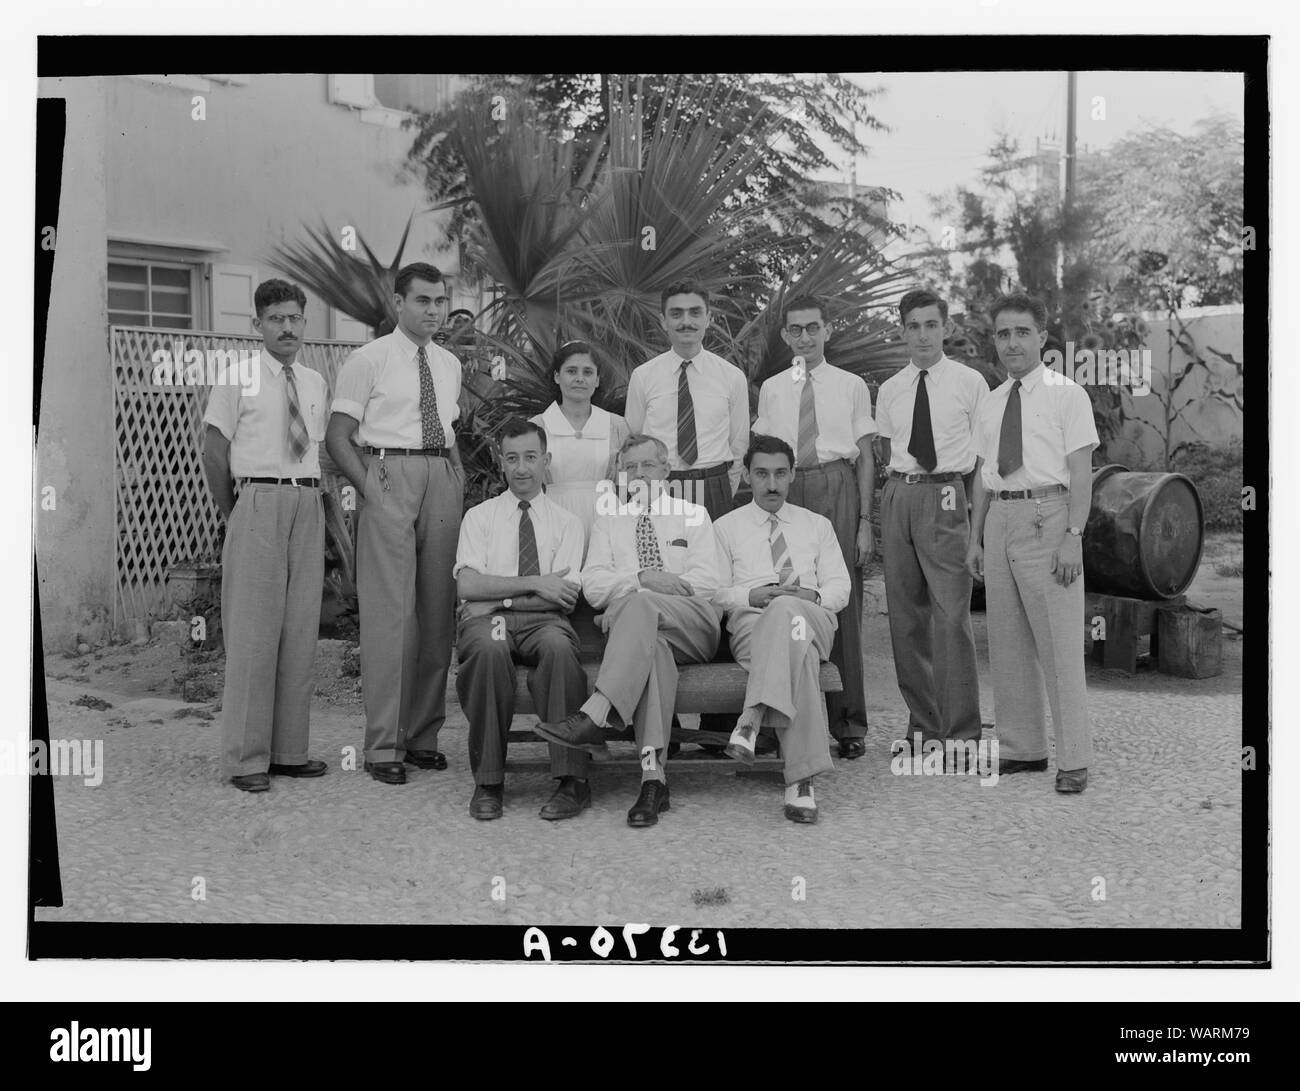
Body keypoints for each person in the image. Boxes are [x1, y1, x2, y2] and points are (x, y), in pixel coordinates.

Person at [533, 434, 722, 828]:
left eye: (647, 465)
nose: (639, 474)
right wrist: (644, 578)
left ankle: (597, 711)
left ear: (666, 469)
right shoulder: (609, 522)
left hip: (695, 628)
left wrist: (633, 596)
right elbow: (595, 586)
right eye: (630, 467)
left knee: (637, 605)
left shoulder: (694, 515)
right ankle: (654, 782)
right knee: (652, 651)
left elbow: (707, 583)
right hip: (645, 641)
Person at [325, 262, 465, 785]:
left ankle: (423, 736)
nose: (434, 311)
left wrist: (457, 475)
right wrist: (370, 489)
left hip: (439, 476)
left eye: (440, 301)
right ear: (399, 302)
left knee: (437, 612)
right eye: (423, 301)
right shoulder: (369, 359)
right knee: (391, 615)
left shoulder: (449, 363)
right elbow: (338, 435)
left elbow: (448, 428)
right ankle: (384, 745)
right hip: (388, 472)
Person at [965, 292, 1097, 793]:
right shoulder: (992, 402)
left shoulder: (1068, 395)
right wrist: (975, 538)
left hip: (1050, 516)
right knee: (1007, 640)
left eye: (1022, 332)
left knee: (1060, 643)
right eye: (1003, 333)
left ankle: (1075, 759)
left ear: (1043, 338)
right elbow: (982, 473)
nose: (1012, 342)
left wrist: (1074, 536)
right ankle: (1024, 749)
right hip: (1000, 517)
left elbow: (1081, 474)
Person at [201, 278, 328, 792]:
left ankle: (288, 752)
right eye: (276, 318)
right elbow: (213, 453)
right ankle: (247, 759)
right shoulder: (236, 378)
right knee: (254, 635)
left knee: (299, 631)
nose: (287, 327)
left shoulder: (316, 382)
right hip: (257, 500)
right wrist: (237, 511)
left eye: (295, 317)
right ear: (258, 325)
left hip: (307, 501)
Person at [753, 294, 875, 758]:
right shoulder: (772, 387)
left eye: (813, 328)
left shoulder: (851, 385)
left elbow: (865, 456)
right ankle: (772, 718)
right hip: (783, 486)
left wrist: (864, 520)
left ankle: (848, 724)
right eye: (795, 329)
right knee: (779, 589)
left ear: (828, 330)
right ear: (785, 335)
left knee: (839, 596)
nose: (804, 337)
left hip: (835, 485)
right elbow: (764, 450)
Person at [453, 419, 592, 821]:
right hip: (492, 624)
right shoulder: (479, 517)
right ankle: (489, 780)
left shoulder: (567, 523)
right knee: (487, 648)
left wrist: (498, 599)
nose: (522, 468)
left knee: (560, 650)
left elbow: (562, 596)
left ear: (546, 461)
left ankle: (572, 781)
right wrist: (534, 584)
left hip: (543, 623)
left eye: (531, 457)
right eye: (512, 458)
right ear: (501, 462)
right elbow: (467, 586)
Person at [874, 288, 988, 763]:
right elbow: (885, 452)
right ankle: (923, 728)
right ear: (902, 330)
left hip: (947, 492)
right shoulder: (890, 388)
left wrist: (975, 530)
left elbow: (981, 463)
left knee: (950, 615)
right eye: (913, 325)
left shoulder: (969, 382)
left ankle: (961, 731)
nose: (922, 334)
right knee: (905, 617)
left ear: (946, 328)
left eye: (931, 324)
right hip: (900, 492)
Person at [713, 435, 850, 823]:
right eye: (761, 474)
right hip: (753, 626)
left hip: (813, 619)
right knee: (799, 654)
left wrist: (810, 595)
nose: (771, 484)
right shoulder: (725, 529)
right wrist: (750, 595)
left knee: (789, 607)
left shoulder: (816, 525)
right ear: (746, 476)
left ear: (791, 476)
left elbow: (841, 587)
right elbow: (715, 592)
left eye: (779, 474)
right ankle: (801, 782)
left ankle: (753, 716)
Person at [624, 280, 749, 522]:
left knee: (713, 560)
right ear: (663, 321)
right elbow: (634, 440)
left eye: (695, 313)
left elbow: (739, 443)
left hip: (714, 486)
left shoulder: (732, 376)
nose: (686, 322)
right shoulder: (643, 376)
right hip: (660, 486)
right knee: (660, 558)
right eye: (676, 314)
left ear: (708, 318)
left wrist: (722, 489)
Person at [529, 339, 630, 552]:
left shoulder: (617, 426)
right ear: (557, 376)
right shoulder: (538, 425)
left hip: (608, 517)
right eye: (571, 371)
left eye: (587, 372)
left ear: (597, 379)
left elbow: (627, 483)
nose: (579, 379)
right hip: (554, 515)